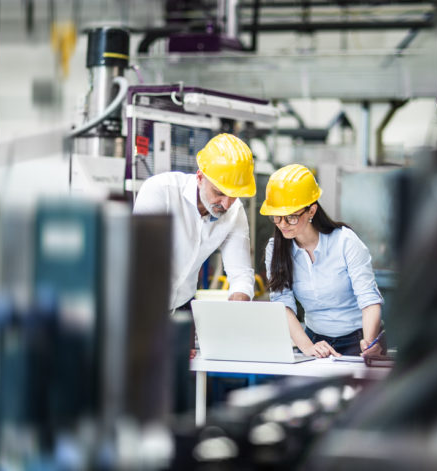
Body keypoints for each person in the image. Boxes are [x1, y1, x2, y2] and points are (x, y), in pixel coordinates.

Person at [262, 164, 384, 358]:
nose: (282, 225)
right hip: (314, 340)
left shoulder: (345, 242)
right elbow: (282, 304)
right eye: (276, 217)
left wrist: (369, 343)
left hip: (357, 339)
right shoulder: (275, 249)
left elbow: (369, 299)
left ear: (311, 210)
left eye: (291, 217)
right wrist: (308, 347)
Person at [134, 133, 256, 310]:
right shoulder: (161, 192)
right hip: (140, 305)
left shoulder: (235, 212)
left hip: (183, 304)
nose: (226, 204)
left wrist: (237, 310)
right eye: (219, 192)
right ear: (200, 178)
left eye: (234, 196)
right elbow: (142, 262)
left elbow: (241, 275)